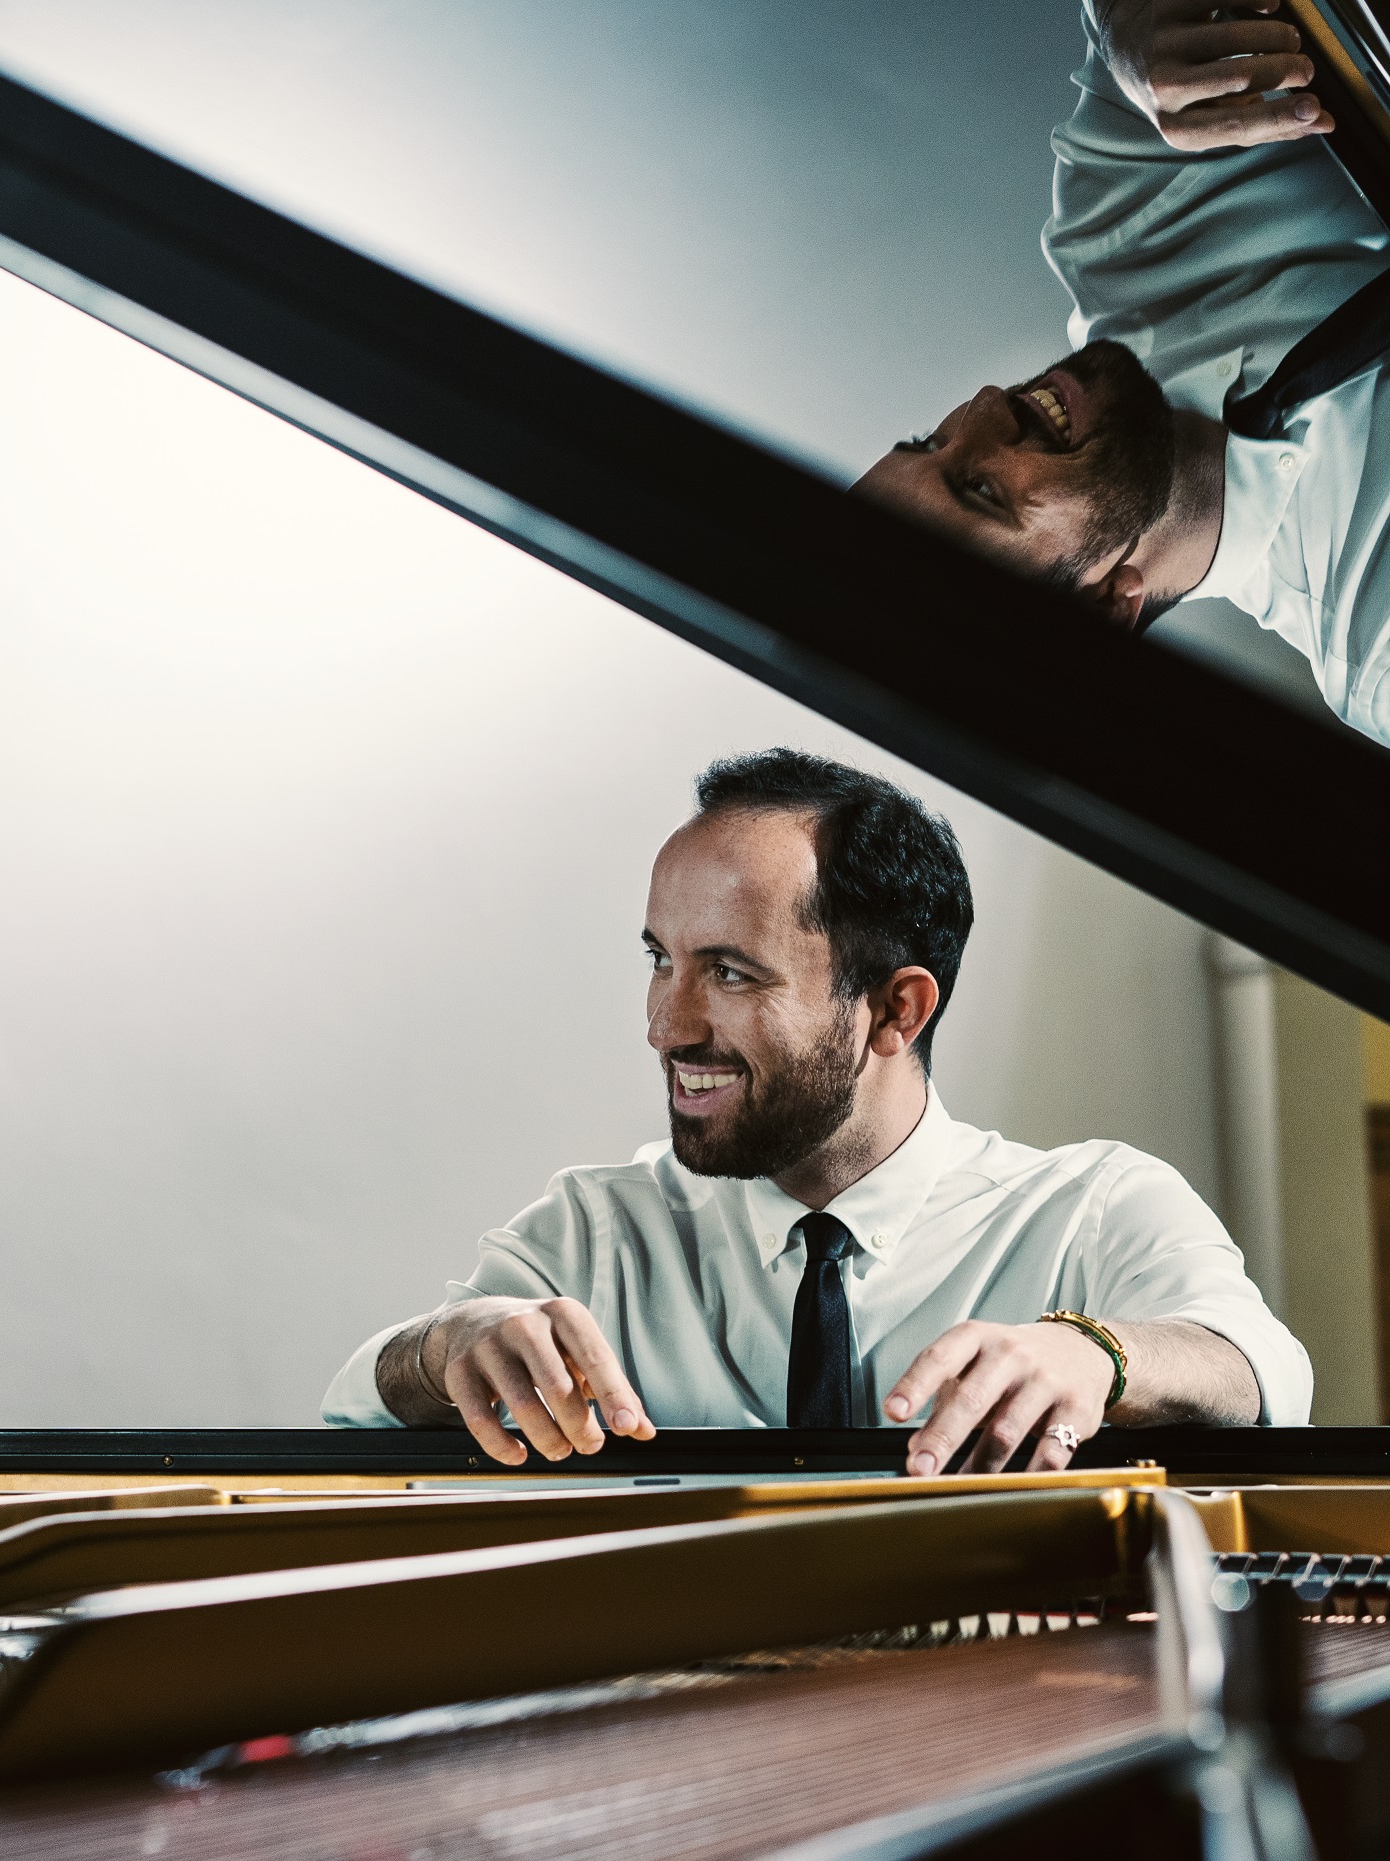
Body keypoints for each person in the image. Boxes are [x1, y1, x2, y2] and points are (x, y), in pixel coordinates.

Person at [322, 750, 1312, 1472]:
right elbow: (354, 1417)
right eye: (660, 958)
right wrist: (448, 1345)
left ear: (895, 1008)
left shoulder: (1091, 1207)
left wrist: (1093, 1351)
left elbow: (1256, 1368)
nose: (666, 1024)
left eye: (732, 972)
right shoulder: (596, 1236)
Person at [856, 0, 1390, 743]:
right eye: (980, 490)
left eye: (927, 441)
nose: (982, 406)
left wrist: (1122, 21)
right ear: (1104, 604)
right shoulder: (1378, 648)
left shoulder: (1110, 225)